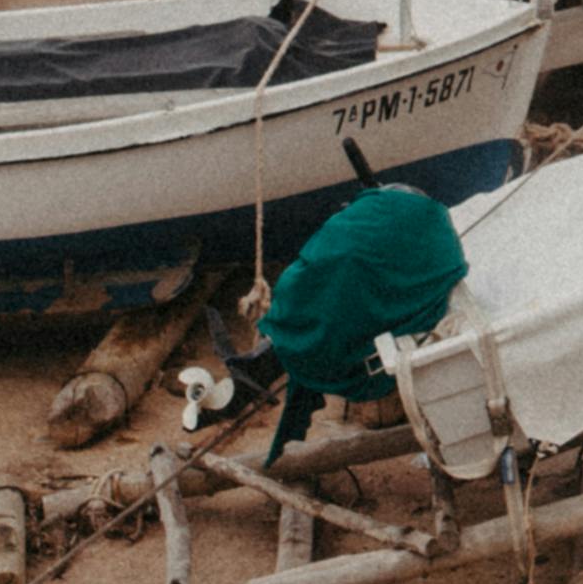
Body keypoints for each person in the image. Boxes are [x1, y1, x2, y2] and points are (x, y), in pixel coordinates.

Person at [183, 145, 469, 463]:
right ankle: (245, 378)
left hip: (333, 280)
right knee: (310, 313)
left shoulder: (374, 231)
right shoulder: (424, 230)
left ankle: (250, 376)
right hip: (355, 271)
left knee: (307, 314)